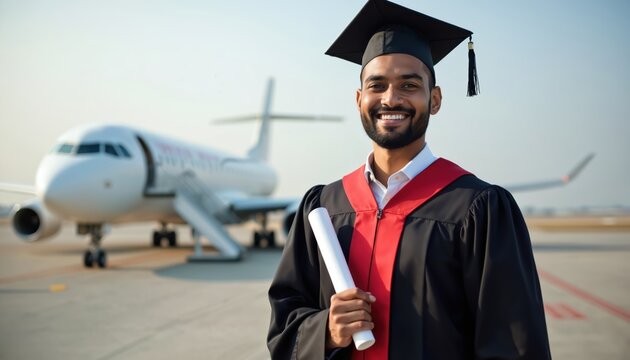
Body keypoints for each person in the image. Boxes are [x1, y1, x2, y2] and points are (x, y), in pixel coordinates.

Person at [267, 0, 552, 359]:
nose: (391, 98)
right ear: (359, 99)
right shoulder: (325, 206)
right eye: (377, 85)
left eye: (409, 85)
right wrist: (325, 330)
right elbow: (284, 325)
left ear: (434, 100)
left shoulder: (477, 209)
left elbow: (514, 344)